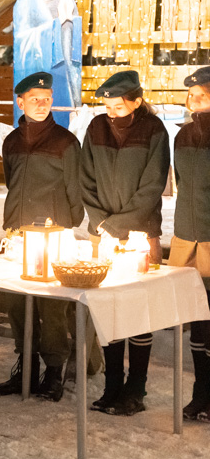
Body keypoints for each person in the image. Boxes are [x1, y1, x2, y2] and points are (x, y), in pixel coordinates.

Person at [80, 70, 169, 416]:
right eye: (107, 105)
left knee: (137, 311)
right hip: (101, 232)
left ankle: (137, 388)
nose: (111, 112)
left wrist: (118, 224)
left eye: (118, 105)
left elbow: (152, 185)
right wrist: (100, 220)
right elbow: (85, 176)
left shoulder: (154, 131)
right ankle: (112, 384)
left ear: (136, 101)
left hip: (139, 235)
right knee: (109, 309)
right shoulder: (96, 129)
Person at [0, 72, 84, 402]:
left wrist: (69, 223)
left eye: (46, 99)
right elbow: (10, 181)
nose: (42, 104)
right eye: (35, 99)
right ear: (20, 102)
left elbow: (75, 186)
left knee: (52, 306)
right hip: (18, 232)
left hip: (53, 233)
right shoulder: (12, 141)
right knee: (17, 302)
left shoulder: (64, 142)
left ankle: (55, 371)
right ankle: (27, 366)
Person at [168, 66, 210, 422]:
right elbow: (181, 182)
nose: (195, 100)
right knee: (197, 321)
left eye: (203, 95)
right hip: (187, 236)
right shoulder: (182, 136)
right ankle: (200, 394)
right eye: (192, 95)